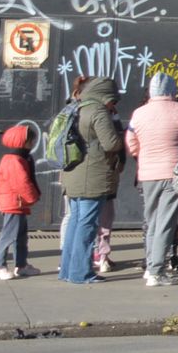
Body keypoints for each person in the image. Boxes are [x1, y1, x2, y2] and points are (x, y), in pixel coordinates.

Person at [126, 71, 178, 286]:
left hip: (147, 172)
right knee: (166, 222)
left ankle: (150, 264)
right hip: (174, 171)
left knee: (152, 221)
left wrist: (141, 155)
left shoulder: (138, 114)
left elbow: (131, 141)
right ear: (173, 90)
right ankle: (156, 270)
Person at [58, 76, 123, 284]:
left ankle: (68, 270)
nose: (113, 104)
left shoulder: (75, 107)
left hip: (73, 173)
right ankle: (81, 273)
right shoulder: (98, 111)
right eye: (113, 99)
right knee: (87, 224)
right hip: (92, 175)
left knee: (76, 222)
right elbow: (111, 144)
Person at [0, 123, 41, 280]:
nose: (33, 144)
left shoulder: (19, 158)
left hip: (18, 204)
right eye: (30, 141)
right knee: (9, 236)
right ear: (22, 142)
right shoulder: (14, 160)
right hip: (14, 204)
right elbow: (22, 182)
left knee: (20, 237)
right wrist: (33, 197)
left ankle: (21, 265)